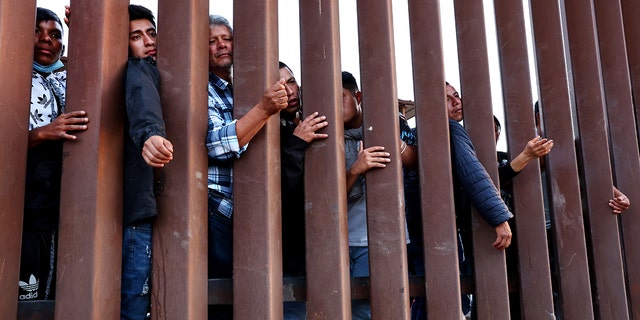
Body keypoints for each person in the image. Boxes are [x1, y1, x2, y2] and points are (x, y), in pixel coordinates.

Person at [206, 15, 288, 319]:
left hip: (245, 211)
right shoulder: (203, 89)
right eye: (212, 41)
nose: (221, 45)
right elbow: (215, 144)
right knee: (219, 301)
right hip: (215, 209)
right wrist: (264, 110)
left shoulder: (239, 88)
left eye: (226, 38)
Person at [18, 7, 90, 301]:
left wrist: (84, 29)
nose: (46, 40)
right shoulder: (11, 76)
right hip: (25, 202)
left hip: (65, 200)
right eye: (37, 31)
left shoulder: (69, 75)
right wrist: (42, 133)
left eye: (55, 34)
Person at [121, 5, 173, 319]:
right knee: (133, 309)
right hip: (133, 212)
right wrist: (151, 135)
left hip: (135, 209)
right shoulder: (137, 69)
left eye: (151, 33)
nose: (148, 41)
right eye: (136, 36)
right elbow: (142, 100)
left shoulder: (157, 70)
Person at [278, 61, 328, 319]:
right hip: (286, 250)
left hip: (319, 244)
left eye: (291, 81)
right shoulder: (270, 130)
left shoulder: (310, 119)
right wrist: (296, 144)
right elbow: (278, 190)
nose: (289, 90)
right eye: (280, 84)